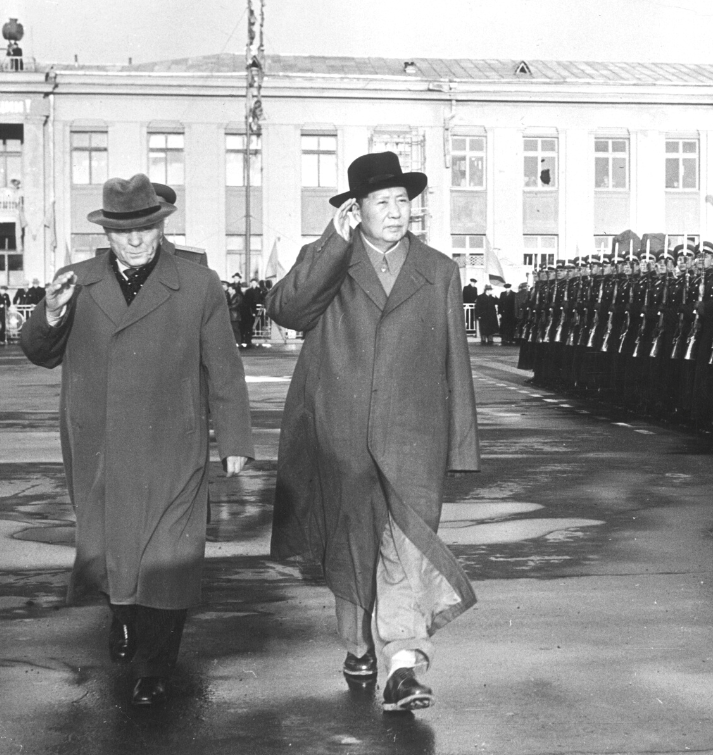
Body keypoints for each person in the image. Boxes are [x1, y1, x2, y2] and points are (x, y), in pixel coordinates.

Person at [19, 173, 253, 706]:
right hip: (100, 444)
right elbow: (39, 350)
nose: (136, 241)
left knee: (171, 557)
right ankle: (122, 616)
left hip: (175, 444)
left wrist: (234, 438)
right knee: (114, 549)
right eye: (124, 232)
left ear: (159, 224)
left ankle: (155, 665)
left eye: (145, 229)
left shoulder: (198, 283)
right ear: (106, 234)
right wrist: (51, 312)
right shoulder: (74, 282)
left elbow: (224, 366)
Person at [267, 151, 479, 713]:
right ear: (354, 210)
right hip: (343, 435)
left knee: (406, 551)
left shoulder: (438, 270)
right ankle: (359, 647)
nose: (395, 211)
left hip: (415, 438)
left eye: (402, 201)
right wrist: (329, 247)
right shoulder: (332, 262)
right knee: (352, 552)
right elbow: (285, 310)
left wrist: (460, 446)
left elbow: (454, 361)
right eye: (381, 202)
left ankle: (403, 665)